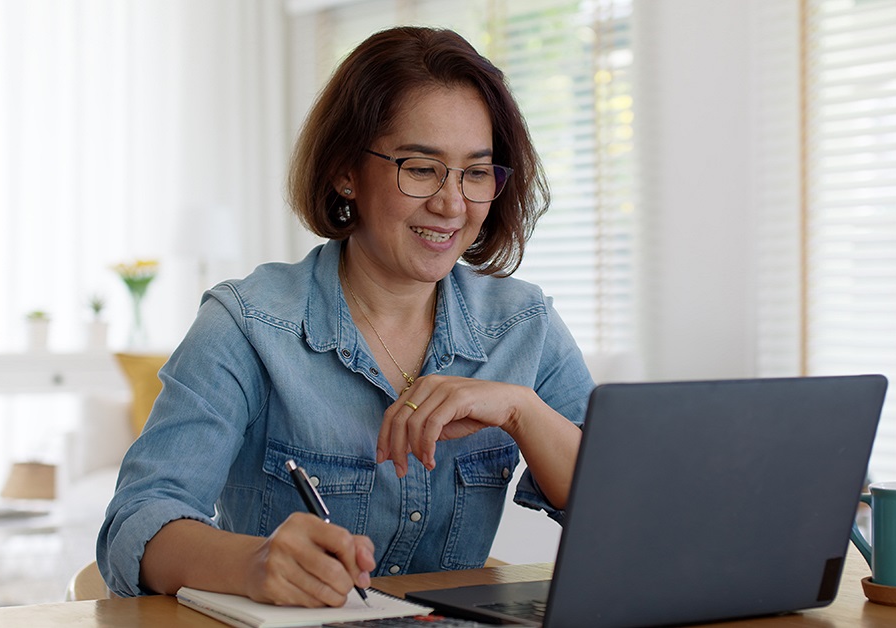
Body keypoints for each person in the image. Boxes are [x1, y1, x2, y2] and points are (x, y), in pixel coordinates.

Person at [97, 25, 595, 606]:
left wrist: (519, 409)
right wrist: (255, 563)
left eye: (476, 172)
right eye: (420, 166)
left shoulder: (523, 323)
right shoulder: (247, 324)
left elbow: (628, 511)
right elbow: (137, 522)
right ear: (345, 172)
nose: (452, 203)